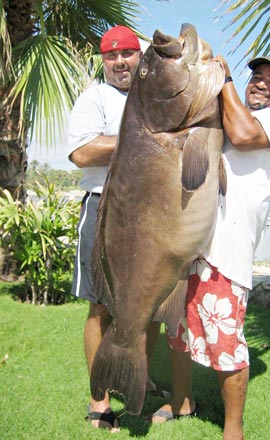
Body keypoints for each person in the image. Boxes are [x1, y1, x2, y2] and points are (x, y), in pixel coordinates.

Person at [151, 54, 270, 440]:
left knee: (226, 344)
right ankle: (183, 400)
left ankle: (233, 429)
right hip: (188, 238)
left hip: (227, 250)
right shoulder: (228, 111)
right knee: (177, 330)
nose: (261, 83)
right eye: (257, 77)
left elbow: (245, 136)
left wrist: (228, 77)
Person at [67, 25, 162, 432]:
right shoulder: (95, 97)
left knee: (152, 306)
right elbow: (81, 152)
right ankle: (99, 398)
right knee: (101, 306)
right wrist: (136, 134)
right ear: (104, 61)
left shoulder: (157, 95)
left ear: (140, 57)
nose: (120, 62)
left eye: (127, 54)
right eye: (112, 55)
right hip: (105, 210)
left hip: (153, 214)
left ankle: (138, 377)